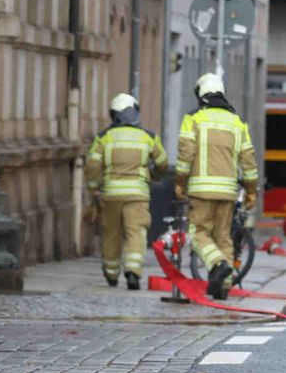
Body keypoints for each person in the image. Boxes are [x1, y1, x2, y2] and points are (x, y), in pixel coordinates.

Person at [176, 72, 259, 299]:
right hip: (228, 192)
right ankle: (224, 287)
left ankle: (218, 264)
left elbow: (185, 156)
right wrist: (251, 191)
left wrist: (180, 183)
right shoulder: (237, 122)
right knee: (223, 237)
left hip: (201, 190)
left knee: (197, 233)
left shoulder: (193, 119)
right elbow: (249, 161)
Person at [84, 93, 166, 290]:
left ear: (113, 114)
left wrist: (94, 189)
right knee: (135, 232)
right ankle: (133, 272)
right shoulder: (148, 137)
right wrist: (155, 175)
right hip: (138, 194)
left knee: (111, 233)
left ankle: (111, 273)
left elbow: (92, 164)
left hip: (111, 195)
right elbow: (162, 162)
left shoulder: (103, 138)